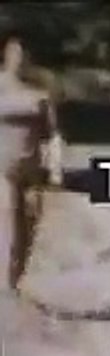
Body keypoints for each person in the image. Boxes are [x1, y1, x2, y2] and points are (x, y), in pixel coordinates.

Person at [0, 29, 63, 296]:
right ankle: (6, 286)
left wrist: (56, 168)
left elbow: (54, 134)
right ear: (6, 56)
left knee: (29, 228)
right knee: (10, 226)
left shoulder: (41, 93)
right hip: (3, 167)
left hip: (33, 170)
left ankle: (16, 278)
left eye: (24, 54)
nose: (20, 59)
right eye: (15, 53)